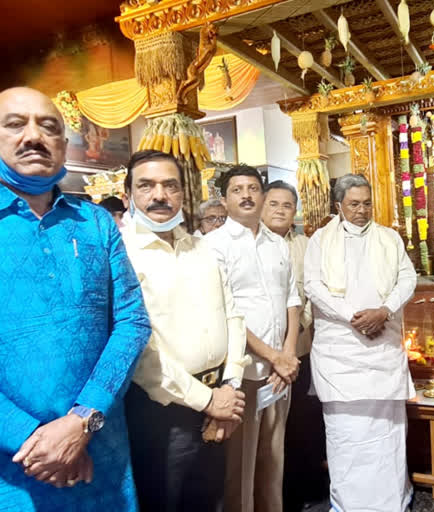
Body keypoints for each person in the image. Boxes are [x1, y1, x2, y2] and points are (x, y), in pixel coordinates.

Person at [0, 86, 151, 510]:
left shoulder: (95, 223)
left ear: (64, 146)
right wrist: (37, 441)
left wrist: (83, 421)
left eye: (48, 127)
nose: (34, 136)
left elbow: (132, 322)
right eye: (15, 124)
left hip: (101, 448)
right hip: (17, 465)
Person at [120, 150, 249, 512]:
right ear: (128, 194)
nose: (159, 195)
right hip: (163, 413)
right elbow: (139, 352)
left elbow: (233, 317)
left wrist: (230, 386)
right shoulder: (124, 255)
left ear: (182, 194)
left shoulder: (202, 248)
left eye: (169, 185)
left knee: (210, 501)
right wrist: (208, 401)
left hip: (220, 400)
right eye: (146, 185)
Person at [304, 173, 417, 512]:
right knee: (346, 436)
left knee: (387, 433)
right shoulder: (320, 240)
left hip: (382, 351)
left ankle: (392, 500)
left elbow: (407, 277)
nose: (362, 210)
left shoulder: (389, 238)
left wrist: (384, 310)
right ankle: (349, 504)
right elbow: (313, 286)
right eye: (354, 204)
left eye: (367, 203)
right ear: (338, 205)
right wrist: (356, 316)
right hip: (340, 356)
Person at [206, 166, 301, 512]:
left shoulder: (278, 244)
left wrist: (287, 356)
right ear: (224, 198)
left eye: (252, 188)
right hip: (242, 374)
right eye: (237, 190)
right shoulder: (213, 246)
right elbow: (224, 312)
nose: (246, 195)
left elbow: (292, 299)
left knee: (274, 461)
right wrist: (273, 356)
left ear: (262, 195)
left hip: (280, 375)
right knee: (239, 470)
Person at [261, 180, 327, 511]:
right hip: (260, 356)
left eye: (287, 205)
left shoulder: (306, 245)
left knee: (302, 423)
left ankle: (304, 492)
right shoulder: (250, 243)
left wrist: (299, 326)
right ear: (261, 205)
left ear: (295, 211)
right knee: (269, 434)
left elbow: (314, 293)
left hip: (300, 349)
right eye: (273, 204)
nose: (280, 210)